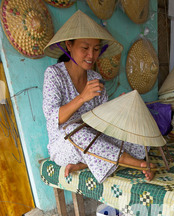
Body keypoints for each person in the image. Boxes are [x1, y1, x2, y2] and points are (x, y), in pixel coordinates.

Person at [42, 12, 155, 183]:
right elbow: (53, 119)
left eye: (96, 49)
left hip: (95, 139)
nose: (91, 55)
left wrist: (118, 107)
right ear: (69, 45)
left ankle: (85, 164)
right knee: (76, 132)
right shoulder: (54, 74)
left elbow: (104, 120)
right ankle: (136, 163)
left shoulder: (94, 76)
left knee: (138, 143)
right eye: (85, 48)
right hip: (66, 144)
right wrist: (82, 98)